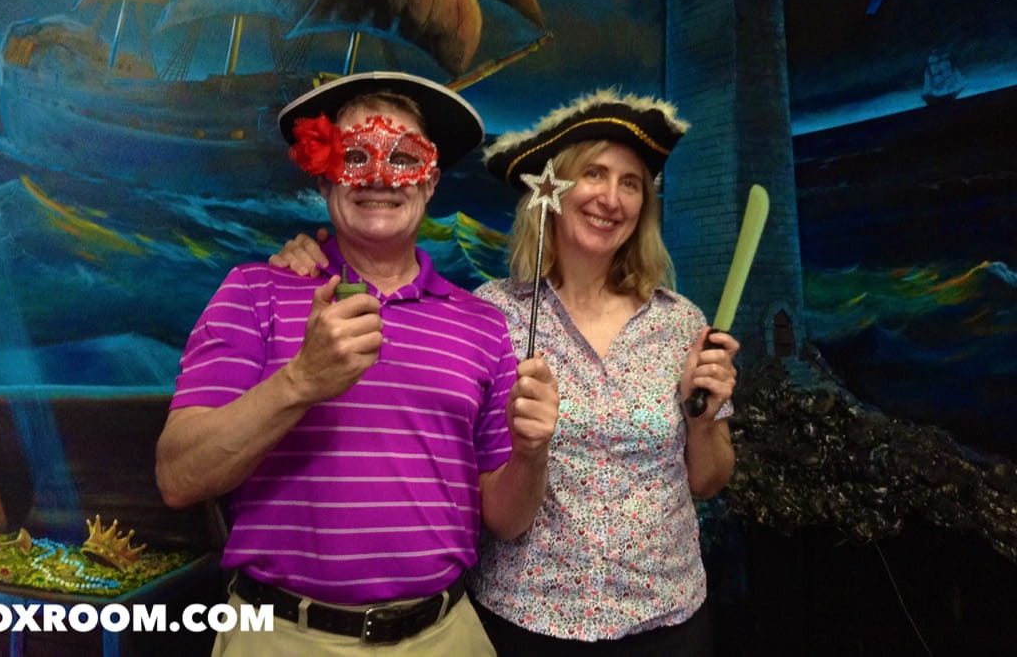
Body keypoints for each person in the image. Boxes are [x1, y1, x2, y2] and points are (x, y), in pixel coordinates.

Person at [272, 88, 739, 656]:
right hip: (523, 619)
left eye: (631, 183)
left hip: (664, 620)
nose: (611, 198)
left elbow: (707, 481)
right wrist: (315, 255)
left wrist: (704, 420)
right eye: (593, 174)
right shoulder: (491, 314)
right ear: (553, 191)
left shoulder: (681, 323)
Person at [156, 71, 559, 656]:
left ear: (430, 182)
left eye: (403, 158)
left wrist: (533, 451)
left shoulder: (482, 324)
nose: (378, 176)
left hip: (445, 637)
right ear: (324, 177)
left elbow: (508, 519)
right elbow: (178, 478)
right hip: (283, 638)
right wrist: (300, 381)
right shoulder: (254, 293)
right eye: (355, 156)